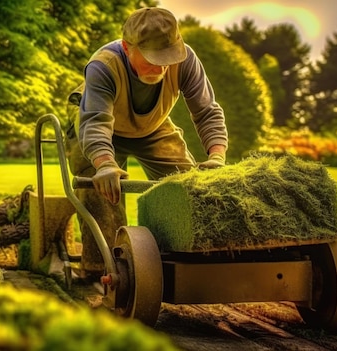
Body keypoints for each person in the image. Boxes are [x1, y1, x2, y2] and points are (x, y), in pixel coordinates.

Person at [65, 7, 228, 280]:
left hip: (153, 127)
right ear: (128, 48)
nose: (162, 67)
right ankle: (102, 271)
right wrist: (104, 164)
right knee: (101, 191)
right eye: (153, 59)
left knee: (185, 189)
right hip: (98, 127)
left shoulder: (186, 60)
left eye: (168, 58)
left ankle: (178, 260)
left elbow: (207, 110)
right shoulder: (104, 66)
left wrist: (216, 156)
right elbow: (95, 122)